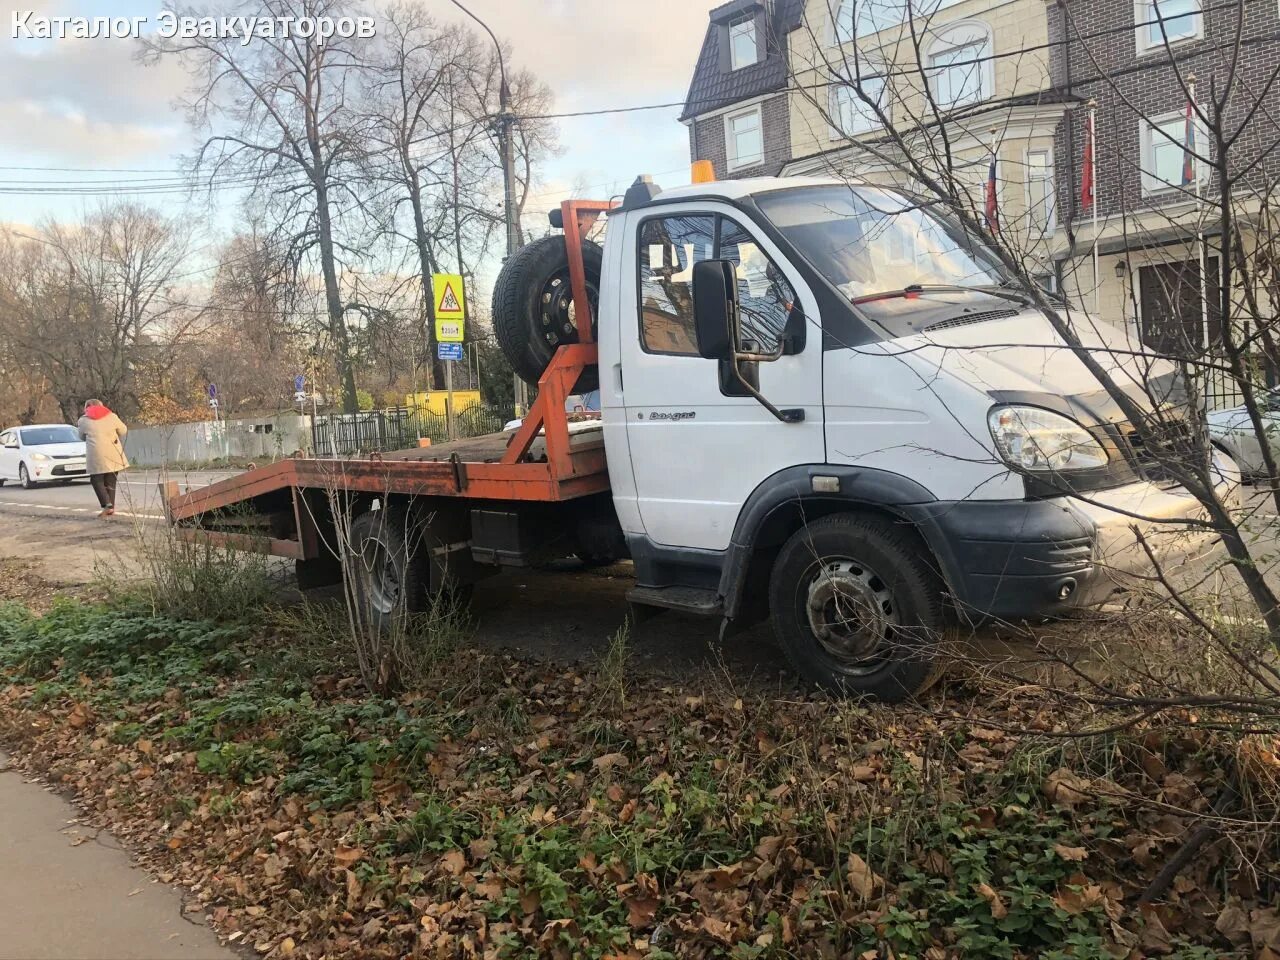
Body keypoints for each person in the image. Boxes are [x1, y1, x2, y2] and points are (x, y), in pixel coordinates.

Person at [77, 399, 129, 518]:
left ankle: (107, 506)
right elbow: (123, 430)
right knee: (111, 480)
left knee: (96, 480)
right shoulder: (112, 416)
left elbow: (81, 436)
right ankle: (111, 507)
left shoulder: (83, 420)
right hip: (113, 452)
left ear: (87, 408)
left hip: (96, 453)